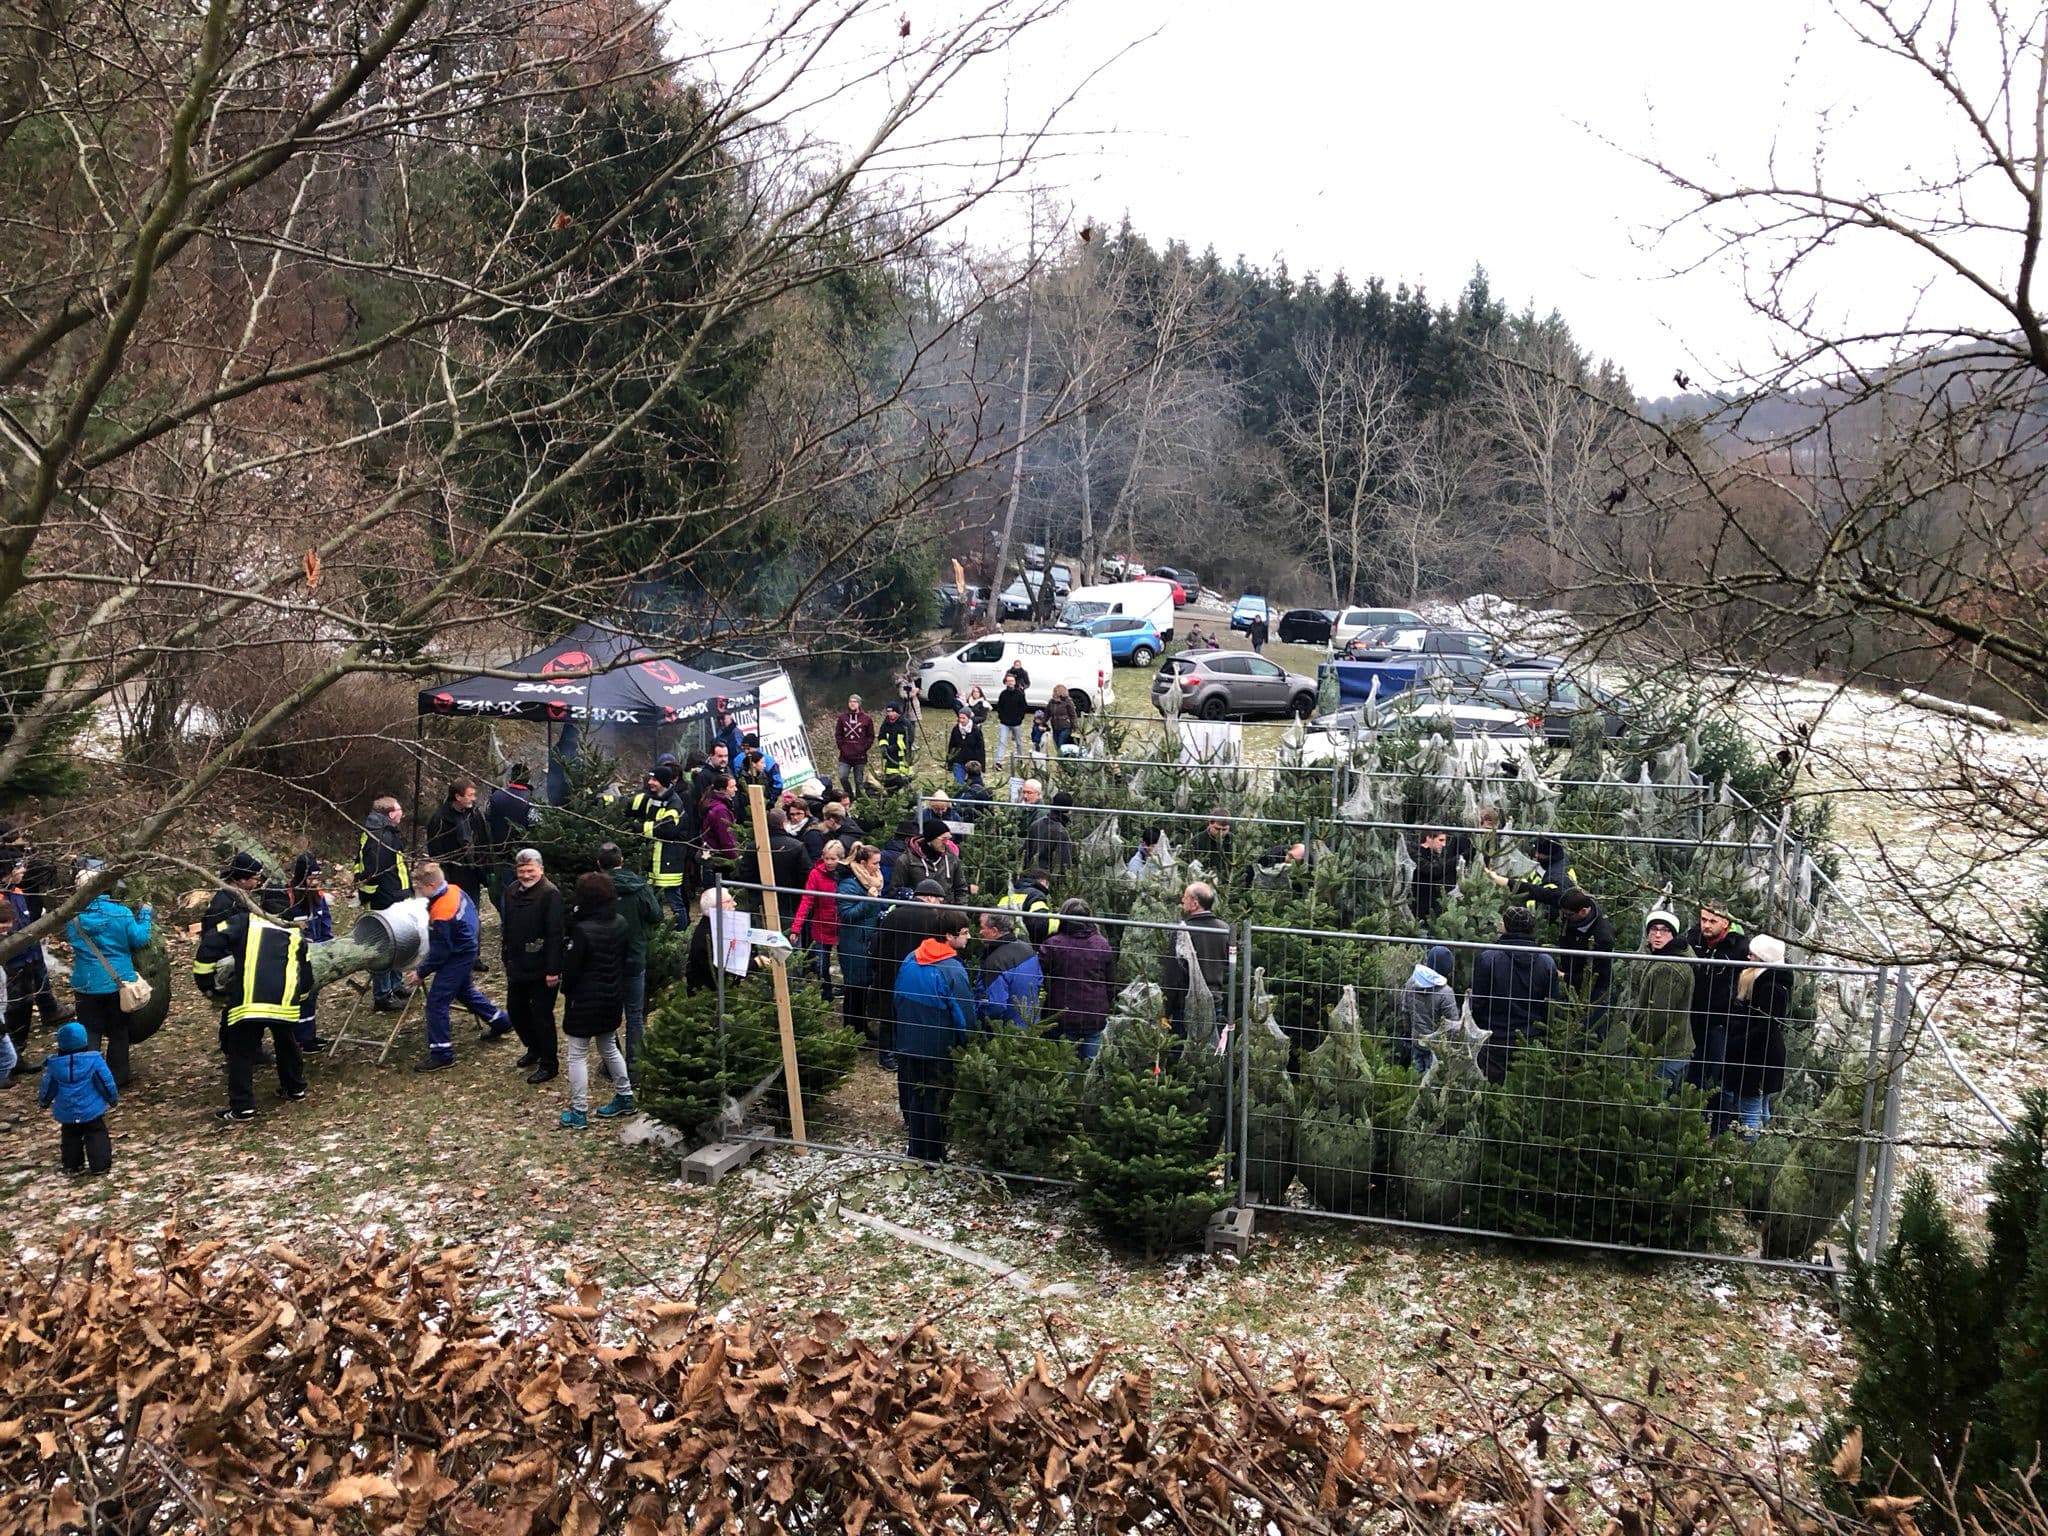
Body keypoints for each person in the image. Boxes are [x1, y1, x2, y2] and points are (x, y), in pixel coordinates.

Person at [192, 883, 313, 1121]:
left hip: (249, 1001)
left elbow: (211, 942)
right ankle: (295, 1087)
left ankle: (243, 1106)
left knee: (240, 1052)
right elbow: (306, 975)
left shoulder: (243, 922)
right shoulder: (294, 933)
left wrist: (205, 982)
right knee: (286, 1043)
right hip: (284, 1001)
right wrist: (300, 999)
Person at [409, 861, 511, 1073]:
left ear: (430, 886)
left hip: (457, 956)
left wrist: (421, 972)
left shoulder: (441, 912)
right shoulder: (454, 890)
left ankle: (441, 1053)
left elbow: (440, 952)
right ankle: (500, 1020)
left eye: (419, 888)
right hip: (466, 949)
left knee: (436, 1002)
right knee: (465, 992)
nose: (418, 892)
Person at [892, 907, 974, 1163]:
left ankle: (915, 1150)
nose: (969, 937)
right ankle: (934, 1156)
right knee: (937, 1100)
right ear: (949, 936)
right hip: (939, 1047)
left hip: (909, 1041)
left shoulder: (911, 958)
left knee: (916, 1096)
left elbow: (897, 998)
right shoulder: (952, 970)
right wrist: (967, 1044)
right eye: (964, 932)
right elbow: (964, 1014)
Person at [558, 870, 636, 1129]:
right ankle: (625, 1095)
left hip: (583, 1001)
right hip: (611, 996)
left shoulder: (581, 930)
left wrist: (567, 990)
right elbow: (624, 959)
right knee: (609, 1046)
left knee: (577, 1054)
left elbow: (571, 970)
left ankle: (579, 1111)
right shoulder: (621, 923)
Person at [66, 869, 153, 1090]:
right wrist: (145, 915)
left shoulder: (73, 918)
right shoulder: (121, 913)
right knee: (118, 1031)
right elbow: (140, 939)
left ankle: (88, 1076)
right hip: (118, 983)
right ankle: (118, 1076)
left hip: (86, 984)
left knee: (90, 1030)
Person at [498, 849, 565, 1083]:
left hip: (541, 965)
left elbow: (555, 934)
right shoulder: (511, 891)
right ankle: (533, 1047)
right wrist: (505, 955)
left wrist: (553, 969)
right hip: (517, 963)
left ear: (541, 869)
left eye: (530, 870)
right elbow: (507, 927)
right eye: (522, 871)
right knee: (516, 1010)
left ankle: (549, 1063)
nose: (526, 875)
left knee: (541, 1016)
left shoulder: (550, 894)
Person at [1471, 907, 1558, 1083]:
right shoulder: (1546, 962)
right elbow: (1551, 1004)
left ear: (1507, 927)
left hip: (1494, 1036)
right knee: (1524, 1088)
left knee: (1492, 1088)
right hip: (1530, 1037)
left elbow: (1478, 1002)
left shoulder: (1488, 958)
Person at [596, 842, 663, 1063]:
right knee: (634, 1014)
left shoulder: (594, 888)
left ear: (598, 863)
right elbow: (656, 915)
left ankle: (611, 1063)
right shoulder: (639, 887)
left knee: (607, 1014)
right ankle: (635, 1066)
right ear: (622, 861)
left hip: (604, 961)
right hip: (634, 956)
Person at [1719, 934, 1790, 1135]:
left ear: (1763, 958)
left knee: (1750, 1111)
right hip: (1760, 1056)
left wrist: (1738, 1042)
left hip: (1755, 1059)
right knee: (1760, 1108)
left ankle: (1749, 1148)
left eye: (1753, 954)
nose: (1748, 957)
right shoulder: (1767, 981)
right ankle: (1763, 1141)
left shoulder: (1770, 987)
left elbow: (1764, 1027)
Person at [1682, 899, 1751, 1102]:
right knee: (1692, 1071)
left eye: (1712, 921)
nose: (1706, 925)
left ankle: (1720, 1117)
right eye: (1703, 919)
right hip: (1692, 1017)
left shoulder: (1739, 947)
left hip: (1722, 1022)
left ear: (1725, 922)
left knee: (1720, 1075)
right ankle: (1690, 1112)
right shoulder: (1692, 938)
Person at [872, 880, 948, 1061]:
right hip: (918, 973)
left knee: (889, 1014)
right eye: (939, 901)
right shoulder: (933, 920)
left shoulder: (894, 914)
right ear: (930, 897)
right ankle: (904, 1052)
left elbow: (878, 945)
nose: (939, 905)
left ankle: (886, 1054)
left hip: (889, 970)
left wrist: (879, 968)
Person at [353, 795, 410, 1011]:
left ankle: (395, 985)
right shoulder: (381, 838)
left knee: (398, 944)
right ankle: (383, 994)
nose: (402, 813)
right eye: (399, 809)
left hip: (393, 897)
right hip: (385, 901)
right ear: (391, 814)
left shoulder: (384, 833)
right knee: (384, 948)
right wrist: (366, 896)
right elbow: (374, 874)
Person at [39, 1021, 117, 1174]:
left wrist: (44, 1101)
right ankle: (100, 1165)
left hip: (67, 1110)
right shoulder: (94, 1061)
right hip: (91, 1109)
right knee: (96, 1133)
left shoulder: (54, 1065)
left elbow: (48, 1086)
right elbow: (105, 1082)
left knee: (70, 1136)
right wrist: (112, 1098)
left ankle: (72, 1165)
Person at [1039, 899, 1114, 1058]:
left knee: (1063, 1062)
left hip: (1062, 1015)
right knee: (1093, 1065)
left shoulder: (1053, 944)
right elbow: (1109, 982)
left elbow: (1038, 975)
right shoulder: (1101, 944)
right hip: (1095, 1015)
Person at [1632, 907, 1695, 1086]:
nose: (1658, 935)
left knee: (1653, 1100)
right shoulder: (1663, 957)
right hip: (1672, 1049)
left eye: (1665, 930)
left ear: (1673, 935)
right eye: (1654, 929)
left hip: (1666, 1051)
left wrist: (1639, 1044)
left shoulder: (1669, 968)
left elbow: (1660, 1015)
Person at [1161, 881, 1231, 1032]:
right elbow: (1228, 964)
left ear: (1195, 903)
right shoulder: (1225, 929)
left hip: (1186, 1002)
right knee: (1210, 1043)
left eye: (1185, 897)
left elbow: (1172, 974)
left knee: (1184, 1045)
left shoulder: (1183, 931)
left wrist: (1166, 1009)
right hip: (1214, 999)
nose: (1182, 900)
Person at [833, 843, 886, 1038]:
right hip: (854, 943)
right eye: (875, 863)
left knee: (863, 986)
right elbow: (847, 915)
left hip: (867, 941)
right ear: (863, 863)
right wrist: (868, 901)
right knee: (855, 987)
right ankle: (852, 1029)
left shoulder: (872, 881)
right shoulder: (848, 885)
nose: (878, 867)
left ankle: (861, 1026)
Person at [284, 854, 334, 1054]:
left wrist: (326, 945)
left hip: (316, 954)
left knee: (312, 996)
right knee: (300, 998)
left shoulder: (318, 896)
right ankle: (300, 1039)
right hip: (296, 957)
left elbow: (325, 922)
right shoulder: (289, 897)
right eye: (311, 878)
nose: (314, 882)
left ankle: (309, 1035)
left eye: (316, 878)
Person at [633, 766, 692, 930]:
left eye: (654, 780)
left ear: (664, 782)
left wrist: (640, 828)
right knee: (654, 900)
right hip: (654, 860)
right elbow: (628, 805)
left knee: (674, 902)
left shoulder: (675, 804)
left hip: (669, 861)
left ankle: (681, 932)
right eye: (650, 779)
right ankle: (657, 931)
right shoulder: (650, 798)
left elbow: (667, 829)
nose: (650, 782)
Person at [790, 839, 844, 999]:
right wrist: (796, 927)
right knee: (821, 966)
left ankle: (847, 991)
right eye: (826, 858)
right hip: (821, 925)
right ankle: (826, 997)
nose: (829, 862)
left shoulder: (845, 874)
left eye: (833, 859)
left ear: (840, 858)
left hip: (842, 926)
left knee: (846, 964)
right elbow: (806, 901)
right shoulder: (816, 874)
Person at [1556, 888, 1616, 1024]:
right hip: (1570, 983)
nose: (1565, 917)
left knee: (1592, 1027)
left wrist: (1564, 976)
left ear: (1583, 911)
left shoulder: (1603, 937)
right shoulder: (1570, 912)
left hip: (1594, 992)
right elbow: (1545, 894)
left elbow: (1596, 975)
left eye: (1568, 915)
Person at [974, 910, 1043, 1031]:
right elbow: (1039, 982)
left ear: (994, 931)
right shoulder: (1028, 949)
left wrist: (980, 1020)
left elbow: (996, 1005)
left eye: (982, 928)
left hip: (1006, 1032)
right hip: (1030, 1025)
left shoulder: (995, 961)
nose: (980, 932)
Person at [424, 779, 488, 906]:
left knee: (472, 909)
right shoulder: (440, 820)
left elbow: (483, 841)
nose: (474, 798)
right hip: (453, 877)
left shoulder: (474, 814)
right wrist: (445, 879)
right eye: (470, 795)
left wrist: (486, 868)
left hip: (473, 874)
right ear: (458, 797)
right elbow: (436, 853)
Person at [1396, 944, 1459, 1070]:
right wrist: (1453, 1045)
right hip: (1437, 1047)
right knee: (1434, 1076)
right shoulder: (1446, 992)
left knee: (1417, 1074)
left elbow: (1405, 1011)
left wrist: (1408, 1032)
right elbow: (1453, 1024)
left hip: (1417, 1041)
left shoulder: (1411, 982)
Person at [484, 766, 536, 910]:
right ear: (528, 779)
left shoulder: (496, 797)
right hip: (525, 852)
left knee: (506, 889)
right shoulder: (531, 800)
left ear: (512, 777)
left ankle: (506, 919)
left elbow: (487, 817)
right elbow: (537, 824)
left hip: (500, 851)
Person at [1491, 834, 1576, 917]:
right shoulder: (1561, 859)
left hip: (1540, 917)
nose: (1536, 855)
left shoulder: (1555, 877)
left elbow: (1542, 894)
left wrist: (1510, 883)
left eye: (1540, 853)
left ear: (1550, 854)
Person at [686, 886, 743, 994]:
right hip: (708, 994)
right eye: (729, 901)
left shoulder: (717, 925)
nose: (735, 903)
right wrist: (754, 963)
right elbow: (722, 967)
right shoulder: (707, 936)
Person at [899, 819, 969, 905]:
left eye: (948, 839)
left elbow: (961, 889)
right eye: (943, 839)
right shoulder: (906, 860)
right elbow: (896, 890)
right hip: (916, 910)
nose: (946, 843)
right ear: (930, 838)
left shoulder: (952, 859)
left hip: (946, 911)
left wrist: (959, 911)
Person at [1410, 829, 1459, 926]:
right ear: (1428, 838)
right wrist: (1456, 860)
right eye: (1440, 840)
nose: (1443, 844)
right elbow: (1433, 872)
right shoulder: (1416, 855)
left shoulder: (1432, 855)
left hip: (1431, 908)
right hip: (1418, 908)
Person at [998, 866, 1057, 945]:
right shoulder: (1036, 895)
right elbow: (1040, 924)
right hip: (1025, 942)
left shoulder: (1010, 894)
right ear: (1044, 881)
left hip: (1003, 942)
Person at [697, 774, 740, 881]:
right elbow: (726, 837)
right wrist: (735, 859)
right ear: (722, 789)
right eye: (732, 787)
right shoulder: (721, 811)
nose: (736, 789)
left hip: (713, 856)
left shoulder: (715, 804)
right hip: (719, 860)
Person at [764, 807, 813, 899]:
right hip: (791, 895)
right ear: (784, 823)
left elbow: (747, 872)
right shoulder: (796, 846)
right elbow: (806, 872)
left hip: (762, 895)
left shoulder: (755, 846)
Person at [1022, 792, 1075, 877]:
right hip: (1048, 878)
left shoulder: (1035, 824)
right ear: (1068, 810)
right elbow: (1065, 865)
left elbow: (1025, 852)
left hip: (1030, 874)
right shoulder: (1061, 833)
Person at [834, 694, 877, 797]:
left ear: (859, 704)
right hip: (845, 756)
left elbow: (870, 735)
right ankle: (849, 795)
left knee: (858, 781)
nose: (852, 704)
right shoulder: (842, 718)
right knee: (843, 777)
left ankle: (859, 799)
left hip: (860, 756)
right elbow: (838, 734)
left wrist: (864, 748)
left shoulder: (866, 719)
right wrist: (842, 747)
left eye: (855, 702)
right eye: (850, 701)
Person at [993, 673, 1030, 766]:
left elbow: (1024, 707)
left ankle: (1020, 759)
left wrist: (1020, 718)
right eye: (1008, 681)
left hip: (1016, 723)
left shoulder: (1020, 694)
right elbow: (999, 707)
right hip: (1004, 723)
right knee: (1002, 741)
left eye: (1012, 681)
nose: (1010, 682)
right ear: (1005, 682)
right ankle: (999, 762)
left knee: (1019, 742)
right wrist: (1001, 717)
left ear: (1015, 682)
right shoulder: (1003, 694)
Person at [945, 709, 987, 785]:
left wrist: (982, 765)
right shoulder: (956, 729)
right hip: (958, 761)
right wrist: (949, 762)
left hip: (972, 763)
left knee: (974, 785)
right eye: (960, 718)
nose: (961, 720)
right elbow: (952, 746)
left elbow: (980, 749)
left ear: (968, 718)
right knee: (959, 784)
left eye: (963, 718)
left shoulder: (975, 730)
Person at [739, 733, 784, 800]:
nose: (746, 752)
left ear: (756, 748)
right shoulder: (739, 760)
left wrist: (771, 799)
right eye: (743, 749)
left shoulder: (769, 761)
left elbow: (777, 783)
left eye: (748, 749)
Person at [895, 670, 922, 753]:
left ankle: (912, 742)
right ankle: (908, 742)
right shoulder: (903, 683)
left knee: (913, 725)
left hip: (914, 706)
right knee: (908, 725)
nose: (915, 679)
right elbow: (903, 695)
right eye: (914, 677)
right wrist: (914, 692)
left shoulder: (911, 682)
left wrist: (917, 691)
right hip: (907, 707)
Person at [1046, 684, 1078, 753]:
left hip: (1065, 727)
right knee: (1056, 744)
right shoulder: (1051, 702)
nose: (1054, 694)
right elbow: (1047, 714)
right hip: (1055, 727)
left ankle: (1061, 757)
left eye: (1055, 692)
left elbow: (1073, 715)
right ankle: (1060, 757)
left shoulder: (1068, 701)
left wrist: (1074, 726)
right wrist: (1042, 723)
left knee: (1061, 744)